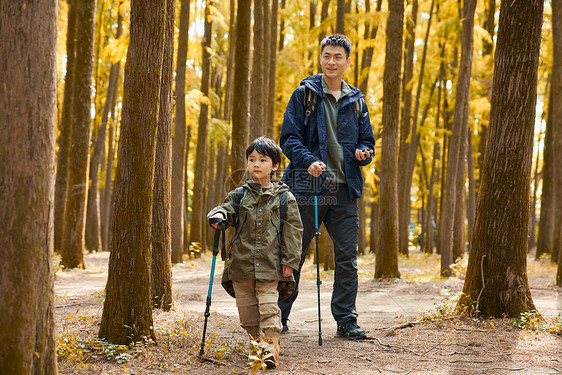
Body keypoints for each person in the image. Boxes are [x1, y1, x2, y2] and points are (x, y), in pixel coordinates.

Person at [279, 34, 375, 340]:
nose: (331, 62)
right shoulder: (303, 95)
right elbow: (288, 138)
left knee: (347, 259)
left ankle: (346, 320)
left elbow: (367, 140)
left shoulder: (357, 100)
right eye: (326, 56)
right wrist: (307, 160)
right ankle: (277, 315)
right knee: (293, 253)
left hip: (345, 191)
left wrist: (363, 153)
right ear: (320, 59)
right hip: (307, 189)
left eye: (338, 57)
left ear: (348, 62)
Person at [207, 136, 303, 367]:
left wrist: (289, 261)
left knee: (270, 308)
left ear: (275, 165)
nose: (256, 164)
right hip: (241, 265)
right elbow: (226, 210)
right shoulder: (239, 195)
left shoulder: (284, 198)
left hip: (270, 264)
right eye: (252, 159)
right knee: (247, 313)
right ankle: (255, 344)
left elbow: (294, 230)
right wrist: (218, 215)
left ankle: (270, 348)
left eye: (263, 159)